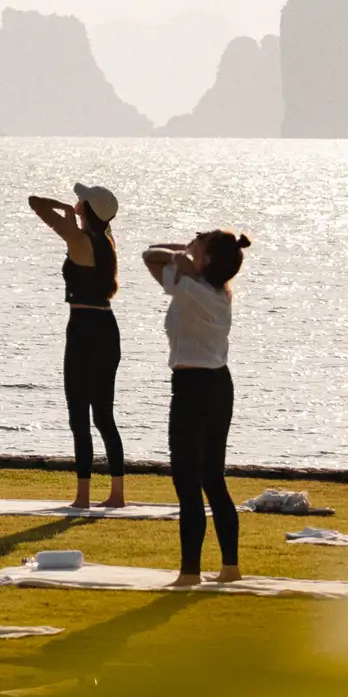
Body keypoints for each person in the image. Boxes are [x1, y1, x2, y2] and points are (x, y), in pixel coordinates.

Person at [143, 229, 252, 585]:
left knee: (188, 480)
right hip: (218, 386)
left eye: (198, 240)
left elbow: (149, 256)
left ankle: (190, 572)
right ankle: (229, 568)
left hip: (194, 389)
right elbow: (154, 256)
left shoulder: (191, 289)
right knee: (212, 479)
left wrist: (180, 255)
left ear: (203, 261)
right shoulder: (216, 291)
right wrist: (188, 253)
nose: (193, 238)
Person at [29, 183, 126, 509]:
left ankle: (83, 496)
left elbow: (36, 203)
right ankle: (116, 494)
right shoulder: (106, 242)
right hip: (107, 329)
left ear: (86, 209)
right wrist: (79, 210)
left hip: (84, 330)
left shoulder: (79, 238)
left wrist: (67, 208)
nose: (76, 202)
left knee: (79, 416)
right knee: (104, 416)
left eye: (82, 200)